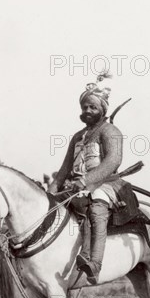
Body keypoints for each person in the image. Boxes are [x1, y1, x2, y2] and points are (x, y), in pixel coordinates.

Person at [48, 76, 129, 285]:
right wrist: (52, 189)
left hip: (107, 184)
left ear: (102, 108)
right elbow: (65, 168)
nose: (87, 111)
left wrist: (87, 180)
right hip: (78, 187)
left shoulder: (110, 131)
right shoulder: (77, 137)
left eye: (92, 107)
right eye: (84, 107)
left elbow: (113, 161)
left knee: (96, 206)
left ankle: (95, 263)